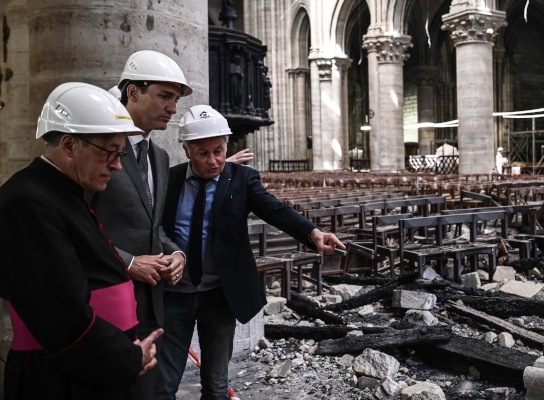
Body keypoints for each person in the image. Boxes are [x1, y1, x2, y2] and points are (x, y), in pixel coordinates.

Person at [156, 105, 345, 400]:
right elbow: (155, 227)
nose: (214, 160)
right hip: (174, 295)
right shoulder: (171, 180)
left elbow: (275, 209)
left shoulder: (242, 179)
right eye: (203, 153)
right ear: (186, 150)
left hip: (220, 295)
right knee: (163, 384)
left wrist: (313, 233)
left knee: (217, 386)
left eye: (218, 151)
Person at [0, 82, 163, 399]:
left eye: (119, 153)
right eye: (110, 153)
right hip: (61, 380)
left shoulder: (61, 193)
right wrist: (127, 358)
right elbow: (61, 315)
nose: (117, 165)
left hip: (86, 373)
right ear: (70, 145)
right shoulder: (26, 202)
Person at [88, 50, 190, 400]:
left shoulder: (159, 157)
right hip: (104, 303)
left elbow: (154, 227)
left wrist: (176, 253)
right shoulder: (99, 149)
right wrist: (128, 262)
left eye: (175, 99)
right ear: (132, 92)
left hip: (150, 305)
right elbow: (76, 227)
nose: (173, 108)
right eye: (164, 96)